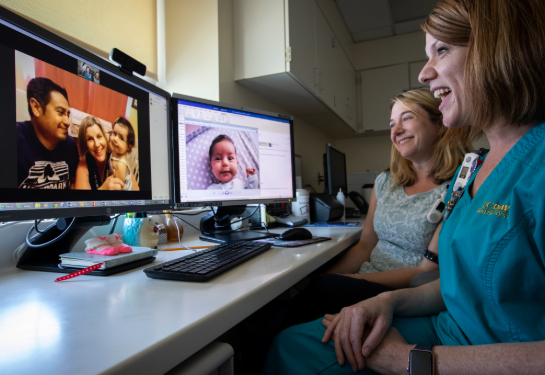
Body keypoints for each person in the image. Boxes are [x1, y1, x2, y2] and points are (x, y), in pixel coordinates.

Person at [263, 0, 545, 374]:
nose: (425, 74)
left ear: (498, 50)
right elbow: (454, 285)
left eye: (441, 50)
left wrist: (408, 360)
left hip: (484, 352)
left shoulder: (534, 165)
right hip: (447, 325)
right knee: (292, 342)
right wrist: (390, 302)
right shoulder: (473, 170)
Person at [239, 88, 472, 374]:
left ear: (439, 123)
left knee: (318, 290)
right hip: (365, 278)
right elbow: (365, 246)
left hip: (406, 289)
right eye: (391, 124)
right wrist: (331, 276)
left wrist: (344, 281)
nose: (396, 130)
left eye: (407, 119)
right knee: (316, 285)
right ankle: (258, 349)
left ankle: (250, 359)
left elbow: (425, 270)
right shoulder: (386, 182)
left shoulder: (459, 188)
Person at [17, 77, 79, 189]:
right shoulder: (14, 141)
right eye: (60, 113)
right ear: (36, 107)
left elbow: (73, 183)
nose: (67, 122)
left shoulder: (70, 145)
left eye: (68, 115)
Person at [74, 116, 124, 190]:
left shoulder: (116, 156)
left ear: (104, 137)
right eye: (90, 139)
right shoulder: (83, 164)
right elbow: (82, 201)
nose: (97, 144)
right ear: (85, 144)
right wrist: (103, 189)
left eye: (99, 136)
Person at [109, 117, 139, 191]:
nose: (115, 139)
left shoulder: (120, 165)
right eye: (114, 133)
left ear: (129, 147)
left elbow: (118, 188)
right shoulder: (116, 150)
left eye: (121, 138)